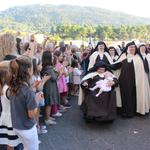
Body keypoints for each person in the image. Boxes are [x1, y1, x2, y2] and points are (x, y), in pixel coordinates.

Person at [9, 57, 43, 150]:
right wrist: (36, 100)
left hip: (16, 125)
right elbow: (31, 114)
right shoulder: (28, 91)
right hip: (26, 128)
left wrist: (32, 88)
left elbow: (21, 97)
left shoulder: (13, 86)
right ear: (28, 70)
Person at [111, 41, 150, 117]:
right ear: (127, 48)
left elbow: (145, 70)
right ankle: (127, 112)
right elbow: (115, 66)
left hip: (136, 81)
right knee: (126, 96)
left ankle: (136, 111)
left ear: (136, 48)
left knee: (134, 96)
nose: (132, 48)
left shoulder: (139, 57)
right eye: (130, 47)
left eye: (133, 47)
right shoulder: (124, 56)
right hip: (124, 81)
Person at [0, 66, 21, 150]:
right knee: (11, 142)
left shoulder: (3, 87)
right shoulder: (7, 89)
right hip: (11, 118)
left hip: (6, 116)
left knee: (9, 141)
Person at [41, 51, 60, 124]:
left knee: (49, 102)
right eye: (52, 56)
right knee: (49, 103)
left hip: (48, 86)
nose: (53, 58)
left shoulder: (45, 67)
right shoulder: (49, 68)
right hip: (50, 87)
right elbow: (54, 77)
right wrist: (57, 72)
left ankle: (48, 117)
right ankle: (47, 119)